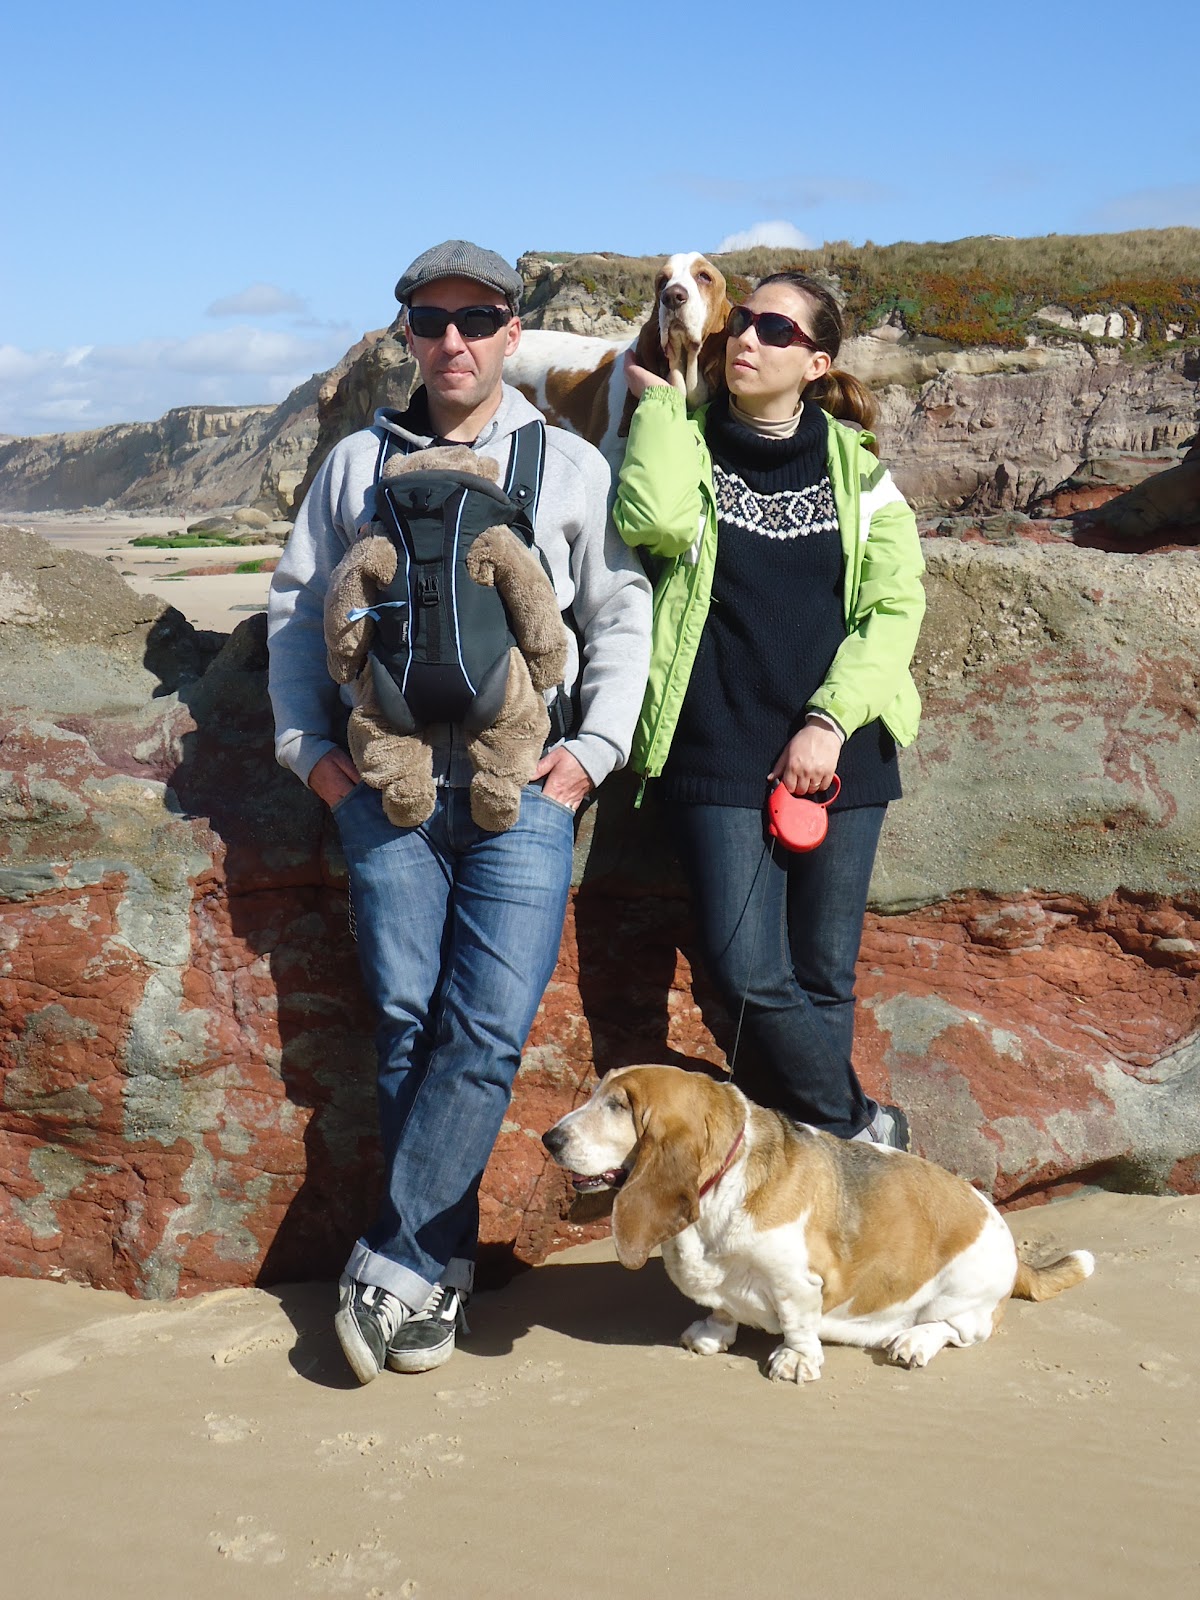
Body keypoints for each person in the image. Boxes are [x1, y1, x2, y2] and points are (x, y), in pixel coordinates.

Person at [267, 240, 651, 1383]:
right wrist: (310, 757)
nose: (453, 341)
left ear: (511, 332)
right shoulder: (354, 465)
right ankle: (437, 1280)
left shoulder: (567, 463)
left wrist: (591, 754)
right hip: (383, 793)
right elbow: (298, 611)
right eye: (431, 321)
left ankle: (394, 1262)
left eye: (477, 320)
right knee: (404, 1026)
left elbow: (618, 612)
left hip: (521, 793)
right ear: (407, 335)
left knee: (482, 1032)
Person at [614, 270, 925, 1147]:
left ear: (817, 363)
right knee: (745, 973)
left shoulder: (860, 470)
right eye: (744, 321)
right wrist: (665, 407)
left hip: (843, 750)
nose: (749, 337)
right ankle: (861, 1129)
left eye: (777, 331)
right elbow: (654, 524)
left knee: (824, 979)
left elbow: (894, 607)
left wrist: (827, 722)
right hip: (714, 744)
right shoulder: (685, 439)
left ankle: (814, 1186)